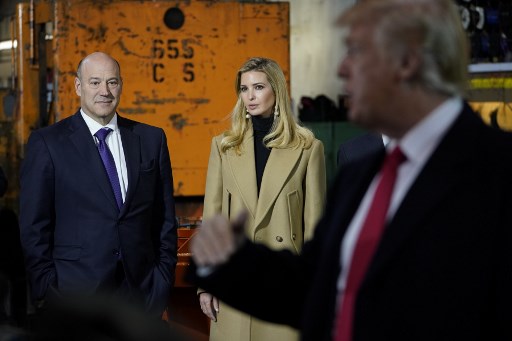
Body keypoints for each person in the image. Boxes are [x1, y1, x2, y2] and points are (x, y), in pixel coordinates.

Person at [187, 1, 512, 340]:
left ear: (406, 63)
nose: (342, 69)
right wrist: (225, 261)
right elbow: (315, 289)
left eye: (356, 51)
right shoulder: (359, 173)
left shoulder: (499, 174)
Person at [19, 52, 177, 317]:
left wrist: (160, 283)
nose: (104, 91)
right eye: (95, 82)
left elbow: (164, 220)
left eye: (112, 82)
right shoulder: (48, 143)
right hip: (74, 296)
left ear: (121, 85)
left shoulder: (151, 139)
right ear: (78, 86)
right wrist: (47, 289)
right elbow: (34, 225)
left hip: (140, 296)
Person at [198, 57, 326, 341]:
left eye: (258, 87)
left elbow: (315, 229)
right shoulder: (223, 147)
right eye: (244, 89)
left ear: (276, 91)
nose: (250, 96)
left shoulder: (308, 148)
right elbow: (213, 217)